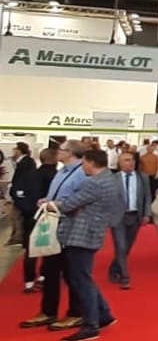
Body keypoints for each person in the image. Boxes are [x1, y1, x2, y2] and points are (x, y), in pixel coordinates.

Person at [43, 149, 123, 341]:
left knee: (80, 279)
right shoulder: (111, 179)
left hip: (81, 235)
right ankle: (103, 313)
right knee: (83, 276)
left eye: (84, 163)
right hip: (93, 232)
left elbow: (69, 204)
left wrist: (50, 204)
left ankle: (90, 325)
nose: (82, 167)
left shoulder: (93, 183)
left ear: (91, 162)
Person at [19, 142, 87, 331]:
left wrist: (57, 204)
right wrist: (47, 201)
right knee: (50, 270)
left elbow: (81, 201)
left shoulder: (82, 173)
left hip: (69, 227)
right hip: (53, 224)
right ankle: (48, 311)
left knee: (71, 272)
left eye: (62, 149)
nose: (58, 152)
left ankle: (76, 313)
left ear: (71, 153)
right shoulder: (62, 171)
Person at [108, 149, 152, 290]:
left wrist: (147, 214)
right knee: (121, 246)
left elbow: (147, 196)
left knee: (127, 247)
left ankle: (114, 268)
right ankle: (125, 277)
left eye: (132, 160)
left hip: (135, 216)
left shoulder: (142, 177)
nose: (130, 162)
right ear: (120, 163)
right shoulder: (112, 178)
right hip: (118, 217)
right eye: (126, 160)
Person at [8, 142, 39, 291]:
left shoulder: (27, 163)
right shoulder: (22, 162)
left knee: (19, 220)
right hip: (22, 200)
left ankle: (19, 237)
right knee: (16, 220)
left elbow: (22, 181)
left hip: (25, 203)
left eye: (15, 148)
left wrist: (18, 196)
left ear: (19, 150)